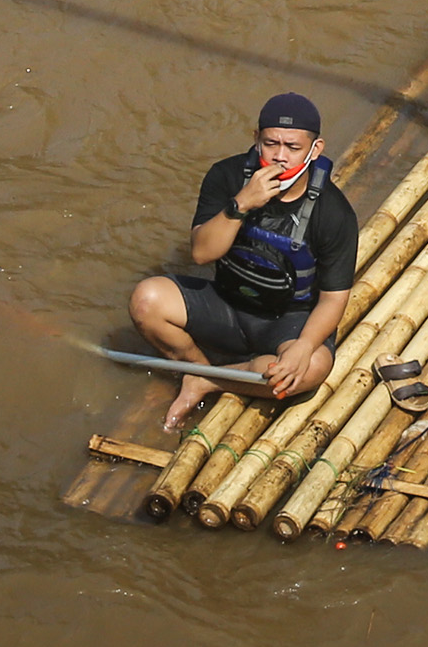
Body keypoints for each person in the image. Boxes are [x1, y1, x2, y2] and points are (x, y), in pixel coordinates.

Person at [126, 90, 358, 433]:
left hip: (286, 320)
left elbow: (334, 298)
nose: (280, 157)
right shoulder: (227, 176)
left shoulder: (333, 211)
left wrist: (305, 346)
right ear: (256, 139)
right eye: (270, 144)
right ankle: (197, 367)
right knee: (146, 300)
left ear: (315, 149)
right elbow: (202, 253)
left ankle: (209, 382)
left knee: (311, 369)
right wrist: (241, 204)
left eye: (293, 148)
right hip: (227, 304)